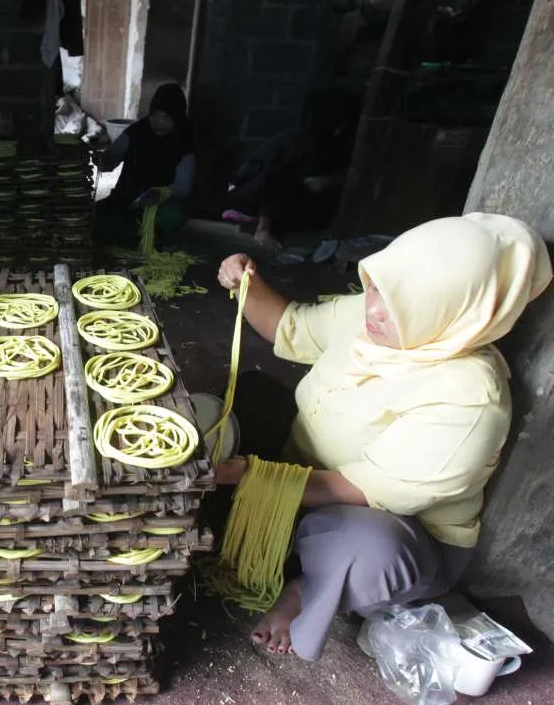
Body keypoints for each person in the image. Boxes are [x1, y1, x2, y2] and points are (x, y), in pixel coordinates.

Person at [213, 212, 551, 661]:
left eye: (399, 305)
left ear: (454, 311)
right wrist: (245, 284)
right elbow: (288, 326)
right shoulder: (372, 315)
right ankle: (288, 536)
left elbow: (359, 488)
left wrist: (248, 476)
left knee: (370, 554)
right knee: (242, 401)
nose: (373, 309)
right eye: (377, 287)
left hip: (391, 525)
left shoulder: (472, 399)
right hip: (308, 467)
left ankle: (304, 588)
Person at [224, 89, 361, 251]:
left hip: (284, 197)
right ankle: (262, 229)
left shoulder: (337, 146)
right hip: (250, 193)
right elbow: (269, 178)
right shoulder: (298, 141)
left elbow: (345, 175)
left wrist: (326, 181)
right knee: (277, 176)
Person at [95, 83, 196, 249]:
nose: (159, 123)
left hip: (161, 205)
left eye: (166, 118)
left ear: (177, 118)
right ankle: (140, 236)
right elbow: (109, 162)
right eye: (155, 116)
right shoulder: (136, 133)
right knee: (95, 217)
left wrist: (160, 193)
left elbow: (182, 187)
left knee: (173, 217)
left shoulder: (185, 142)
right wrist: (101, 160)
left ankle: (149, 236)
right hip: (127, 198)